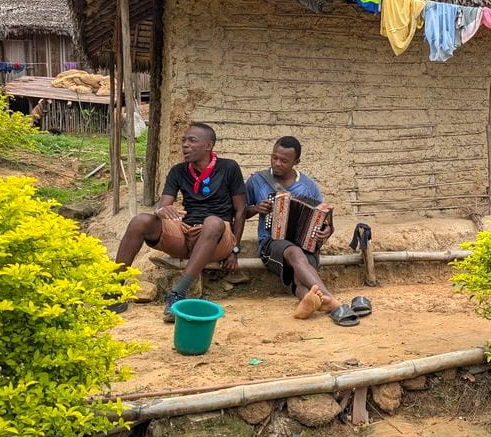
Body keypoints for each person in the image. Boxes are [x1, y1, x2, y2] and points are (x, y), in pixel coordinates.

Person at [114, 123, 247, 321]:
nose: (185, 145)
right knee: (140, 221)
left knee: (213, 222)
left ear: (208, 145)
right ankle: (113, 290)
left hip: (219, 237)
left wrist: (235, 250)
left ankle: (178, 293)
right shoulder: (178, 171)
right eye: (184, 140)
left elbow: (241, 209)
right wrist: (161, 211)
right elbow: (164, 205)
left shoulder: (229, 167)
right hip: (186, 233)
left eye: (192, 140)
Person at [246, 136, 348, 321]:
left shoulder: (308, 186)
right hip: (272, 242)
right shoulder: (257, 180)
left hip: (305, 243)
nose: (277, 163)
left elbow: (324, 216)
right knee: (294, 252)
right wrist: (254, 208)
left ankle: (312, 302)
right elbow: (239, 211)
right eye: (274, 157)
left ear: (296, 162)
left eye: (284, 161)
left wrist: (327, 230)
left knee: (301, 279)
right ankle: (333, 302)